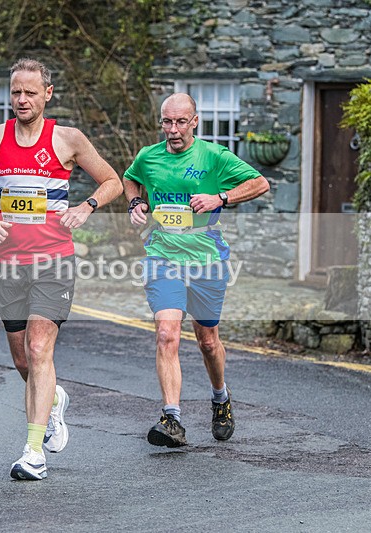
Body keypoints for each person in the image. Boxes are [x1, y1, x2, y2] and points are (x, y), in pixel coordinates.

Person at [0, 58, 123, 480]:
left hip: (53, 260)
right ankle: (53, 400)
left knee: (38, 349)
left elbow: (113, 181)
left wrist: (86, 207)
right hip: (7, 263)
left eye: (31, 92)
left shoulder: (67, 139)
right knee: (21, 358)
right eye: (16, 92)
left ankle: (33, 451)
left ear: (47, 94)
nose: (22, 100)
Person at [123, 92, 270, 447]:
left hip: (206, 257)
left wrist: (220, 198)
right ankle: (171, 418)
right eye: (166, 122)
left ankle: (220, 397)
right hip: (163, 253)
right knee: (167, 334)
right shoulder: (149, 156)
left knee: (207, 341)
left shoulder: (214, 156)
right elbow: (130, 178)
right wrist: (136, 201)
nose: (172, 130)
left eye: (180, 122)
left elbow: (260, 183)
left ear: (194, 122)